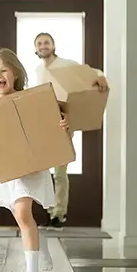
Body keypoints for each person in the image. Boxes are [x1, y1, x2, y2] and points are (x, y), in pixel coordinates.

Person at [0, 48, 70, 272]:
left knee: (22, 212)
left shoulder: (29, 99)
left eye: (3, 70)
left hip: (29, 166)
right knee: (20, 215)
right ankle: (41, 242)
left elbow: (51, 124)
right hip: (4, 167)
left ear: (15, 73)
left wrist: (62, 125)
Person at [34, 32, 109, 230]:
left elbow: (93, 72)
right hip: (43, 123)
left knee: (59, 171)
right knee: (43, 172)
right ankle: (49, 212)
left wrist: (100, 77)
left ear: (53, 45)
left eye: (46, 42)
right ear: (36, 48)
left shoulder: (66, 64)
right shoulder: (37, 70)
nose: (43, 46)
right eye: (39, 43)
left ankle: (59, 215)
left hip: (63, 122)